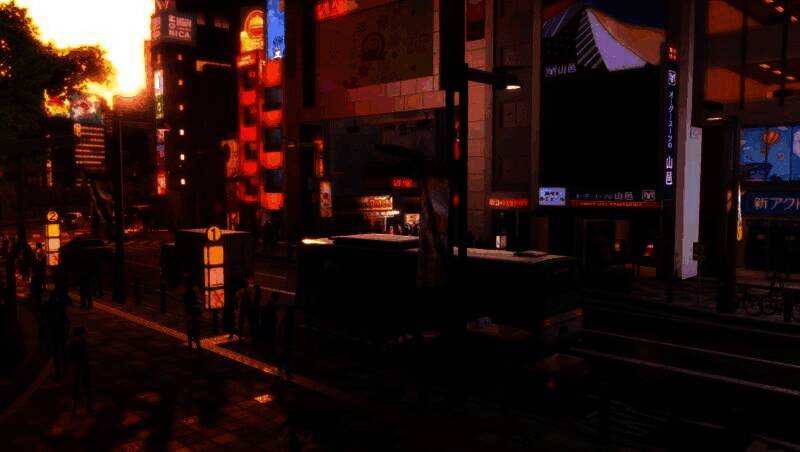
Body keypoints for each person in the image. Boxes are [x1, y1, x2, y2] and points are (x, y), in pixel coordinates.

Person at [67, 326, 91, 413]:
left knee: (82, 386)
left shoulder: (81, 343)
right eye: (84, 333)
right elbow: (71, 358)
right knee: (78, 387)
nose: (85, 335)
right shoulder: (76, 345)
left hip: (80, 368)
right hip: (78, 368)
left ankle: (84, 405)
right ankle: (76, 406)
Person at [46, 291, 69, 379]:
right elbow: (66, 319)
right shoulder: (60, 305)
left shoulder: (47, 305)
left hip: (53, 332)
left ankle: (58, 372)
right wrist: (67, 331)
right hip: (61, 330)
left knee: (55, 353)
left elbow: (46, 319)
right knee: (63, 350)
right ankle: (65, 368)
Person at [183, 281, 201, 353]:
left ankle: (190, 347)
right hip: (194, 315)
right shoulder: (193, 294)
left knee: (190, 331)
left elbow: (183, 300)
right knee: (195, 331)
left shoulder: (186, 295)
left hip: (190, 314)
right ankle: (197, 345)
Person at [261, 292, 278, 361]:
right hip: (270, 326)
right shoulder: (271, 305)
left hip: (268, 325)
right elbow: (271, 316)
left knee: (268, 341)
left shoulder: (269, 304)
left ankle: (268, 355)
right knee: (270, 341)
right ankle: (268, 355)